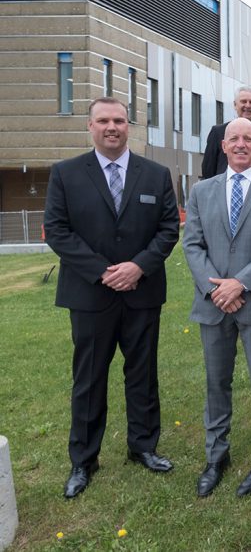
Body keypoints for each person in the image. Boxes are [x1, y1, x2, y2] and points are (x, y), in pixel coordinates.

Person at [44, 97, 180, 498]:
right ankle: (83, 460)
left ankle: (143, 446)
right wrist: (103, 271)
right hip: (90, 295)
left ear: (129, 125)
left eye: (119, 120)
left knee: (143, 374)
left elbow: (168, 228)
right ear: (90, 126)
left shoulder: (156, 175)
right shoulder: (66, 174)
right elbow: (57, 230)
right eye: (103, 120)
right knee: (88, 378)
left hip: (142, 293)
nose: (112, 127)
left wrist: (138, 266)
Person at [182, 117, 251, 498]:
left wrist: (240, 284)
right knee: (216, 383)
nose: (242, 144)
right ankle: (217, 456)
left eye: (249, 138)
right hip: (213, 303)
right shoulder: (201, 191)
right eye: (234, 139)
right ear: (224, 146)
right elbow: (192, 245)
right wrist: (217, 288)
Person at [201, 85, 251, 179]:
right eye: (243, 101)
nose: (247, 105)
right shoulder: (218, 132)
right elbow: (208, 169)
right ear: (235, 105)